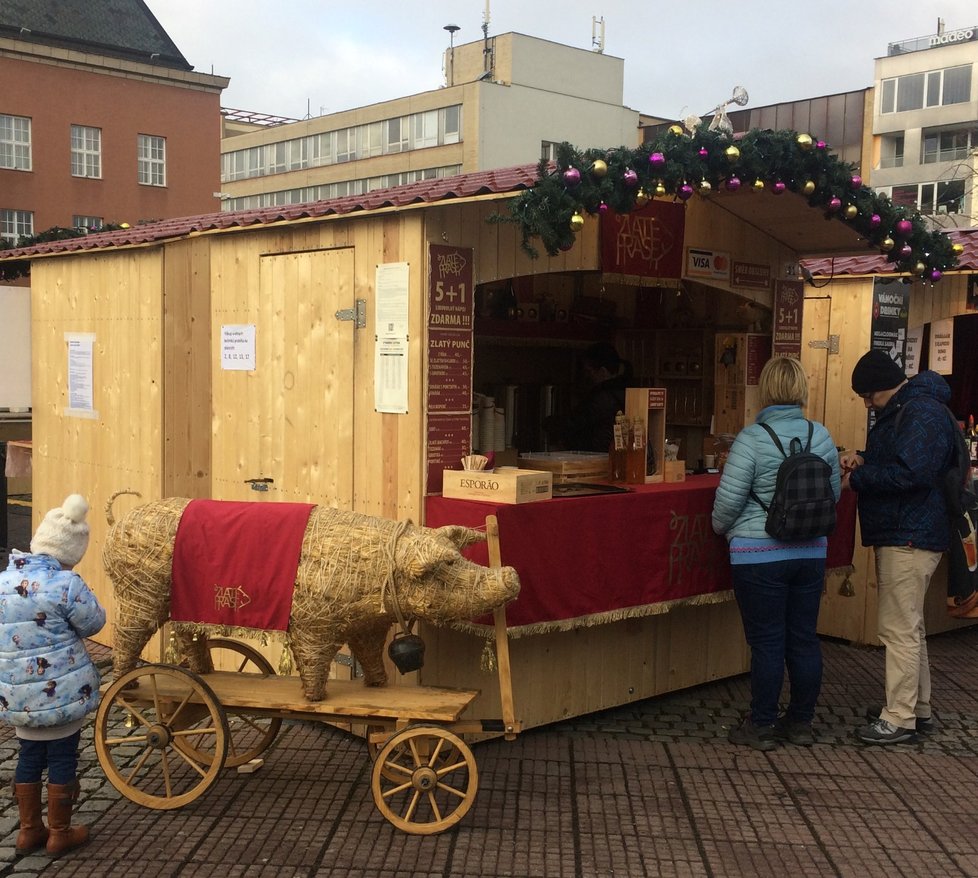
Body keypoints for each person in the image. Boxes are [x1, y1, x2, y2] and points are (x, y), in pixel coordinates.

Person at [712, 357, 841, 750]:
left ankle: (762, 725)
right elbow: (832, 495)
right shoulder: (821, 435)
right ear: (801, 388)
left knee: (767, 641)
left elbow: (728, 503)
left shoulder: (751, 439)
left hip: (758, 554)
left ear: (766, 390)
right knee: (803, 638)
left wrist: (723, 529)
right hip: (810, 553)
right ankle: (800, 723)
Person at [841, 349, 955, 745]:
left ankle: (899, 717)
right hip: (911, 530)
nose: (867, 404)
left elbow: (912, 473)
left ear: (880, 387)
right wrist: (867, 458)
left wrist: (860, 478)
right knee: (912, 626)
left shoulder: (920, 411)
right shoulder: (916, 407)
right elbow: (906, 460)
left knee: (898, 630)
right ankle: (917, 709)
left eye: (867, 396)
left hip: (908, 533)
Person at [0, 494, 106, 857]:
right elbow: (94, 622)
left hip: (16, 697)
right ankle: (60, 833)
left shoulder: (3, 582)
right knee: (63, 758)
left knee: (28, 756)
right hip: (60, 694)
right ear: (71, 552)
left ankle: (29, 831)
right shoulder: (66, 585)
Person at [552, 341, 632, 452]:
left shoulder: (602, 398)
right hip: (615, 456)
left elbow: (573, 424)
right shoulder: (629, 392)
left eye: (589, 371)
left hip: (597, 457)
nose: (587, 376)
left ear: (603, 372)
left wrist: (550, 423)